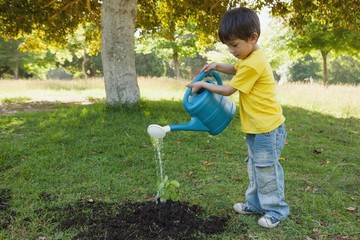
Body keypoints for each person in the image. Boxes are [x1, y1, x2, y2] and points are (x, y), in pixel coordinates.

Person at [186, 7, 289, 228]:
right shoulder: (250, 56)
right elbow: (236, 69)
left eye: (235, 45)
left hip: (267, 128)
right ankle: (255, 204)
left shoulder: (254, 62)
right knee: (254, 165)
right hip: (257, 126)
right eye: (228, 46)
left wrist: (204, 84)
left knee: (266, 168)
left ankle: (276, 210)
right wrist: (216, 65)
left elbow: (228, 90)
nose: (232, 50)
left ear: (252, 38)